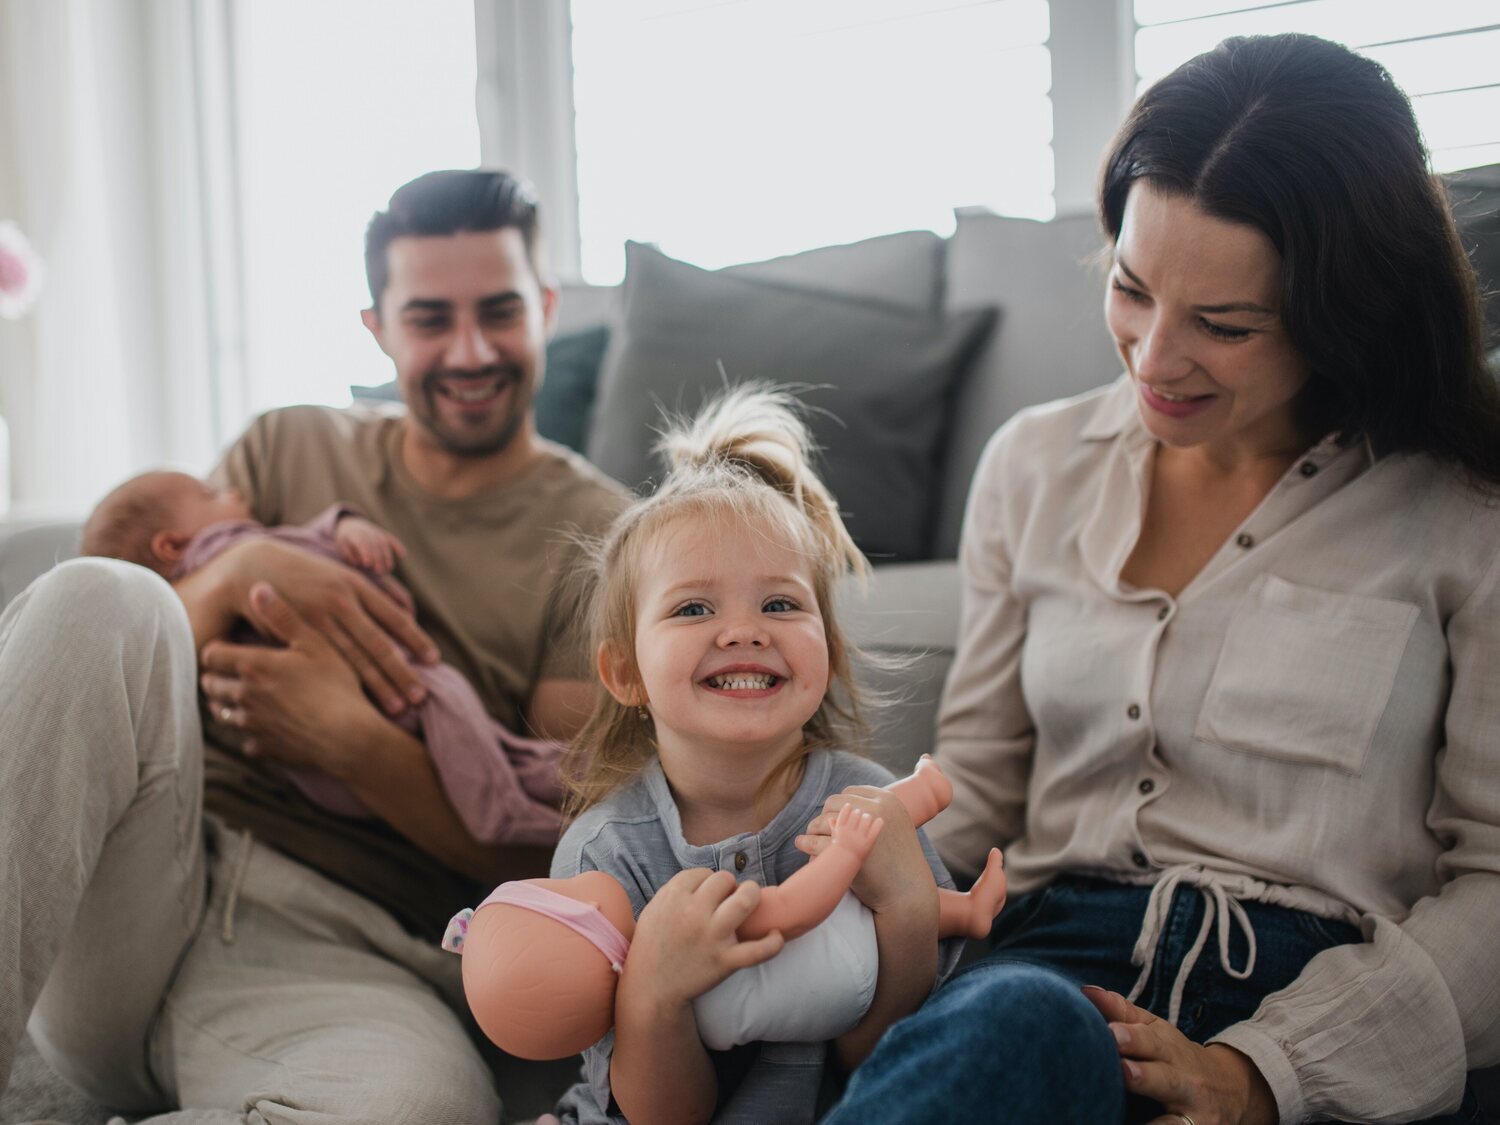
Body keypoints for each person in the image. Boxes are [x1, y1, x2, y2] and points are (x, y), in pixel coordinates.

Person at [823, 33, 1500, 1125]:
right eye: (1133, 291)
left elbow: (1497, 889)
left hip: (1326, 1010)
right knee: (1016, 1026)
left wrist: (1265, 1074)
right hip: (1038, 987)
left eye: (1224, 327)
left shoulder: (1467, 511)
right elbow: (977, 797)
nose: (1153, 359)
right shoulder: (1033, 467)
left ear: (1346, 316)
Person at [0, 169, 627, 1123]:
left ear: (543, 307)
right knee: (100, 593)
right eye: (429, 318)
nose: (469, 349)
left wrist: (354, 744)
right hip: (141, 871)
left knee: (422, 1111)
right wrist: (242, 563)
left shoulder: (603, 540)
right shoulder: (286, 447)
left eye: (499, 311)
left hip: (346, 958)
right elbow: (133, 652)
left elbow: (564, 859)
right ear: (377, 326)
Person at [540, 387, 964, 1125]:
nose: (744, 631)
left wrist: (905, 908)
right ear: (625, 674)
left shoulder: (868, 806)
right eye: (694, 608)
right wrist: (653, 994)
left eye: (779, 604)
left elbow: (883, 1063)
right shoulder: (603, 857)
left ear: (826, 654)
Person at [79, 469, 565, 842]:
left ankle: (518, 780)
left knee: (471, 739)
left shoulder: (229, 548)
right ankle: (506, 806)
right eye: (212, 494)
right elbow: (139, 654)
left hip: (332, 767)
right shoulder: (226, 541)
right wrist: (338, 528)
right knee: (455, 707)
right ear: (172, 544)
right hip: (389, 698)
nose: (237, 494)